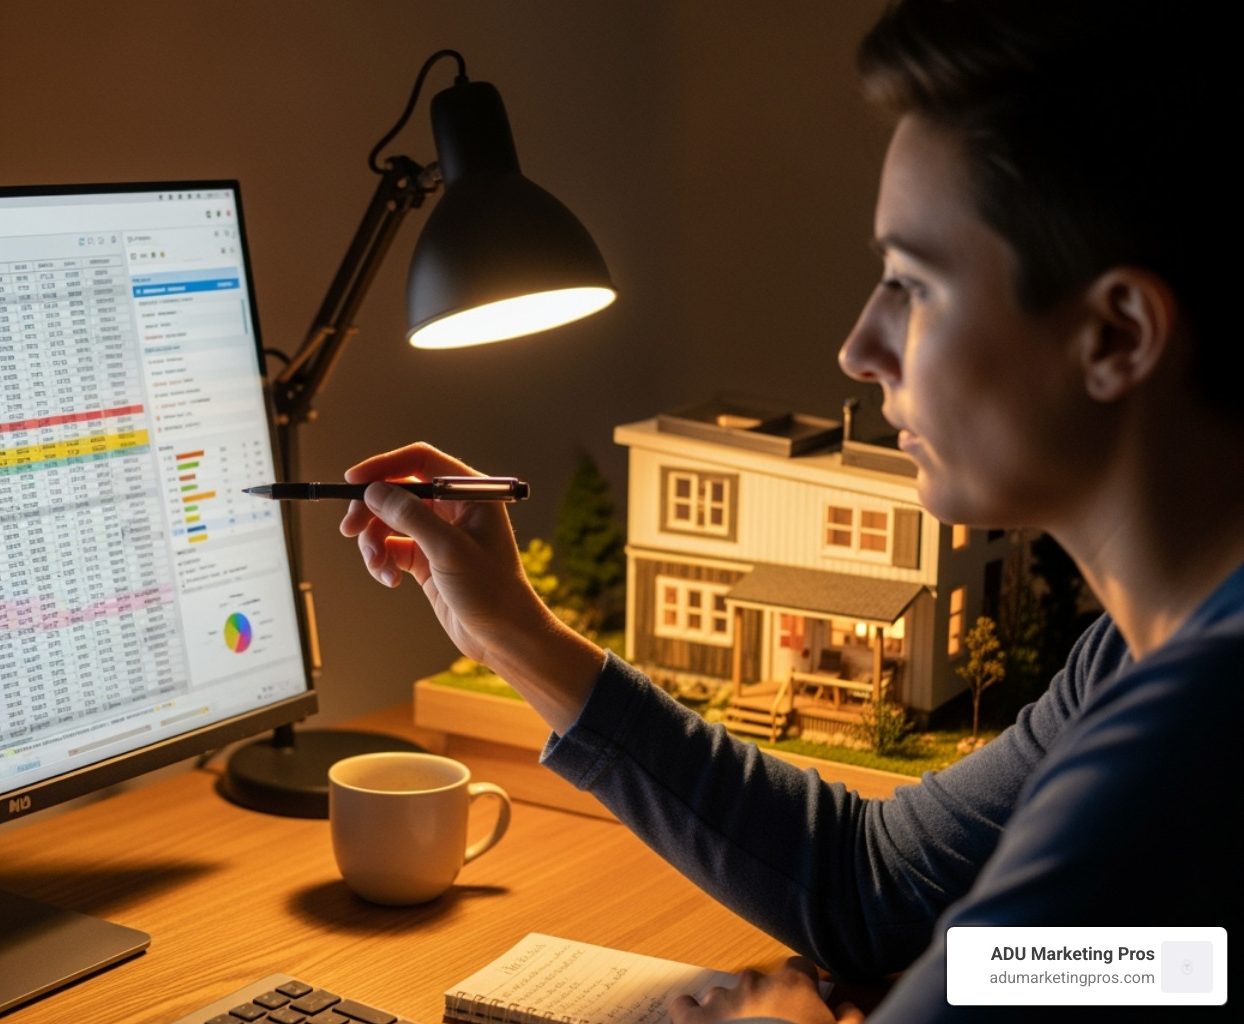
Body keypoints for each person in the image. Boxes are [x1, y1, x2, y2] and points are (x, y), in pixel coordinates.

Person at [340, 1, 1241, 1021]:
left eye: (913, 282)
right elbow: (886, 887)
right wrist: (512, 634)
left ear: (1117, 336)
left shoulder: (1200, 727)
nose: (861, 345)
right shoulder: (1133, 659)